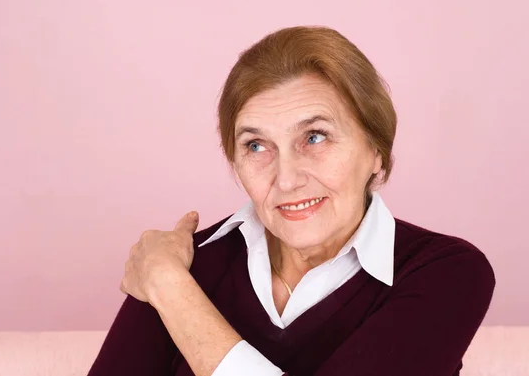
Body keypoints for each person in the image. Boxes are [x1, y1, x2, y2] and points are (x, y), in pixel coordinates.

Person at [87, 26, 496, 376]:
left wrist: (171, 289)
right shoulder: (188, 260)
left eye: (315, 137)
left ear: (376, 149)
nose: (286, 179)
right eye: (257, 145)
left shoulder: (446, 273)